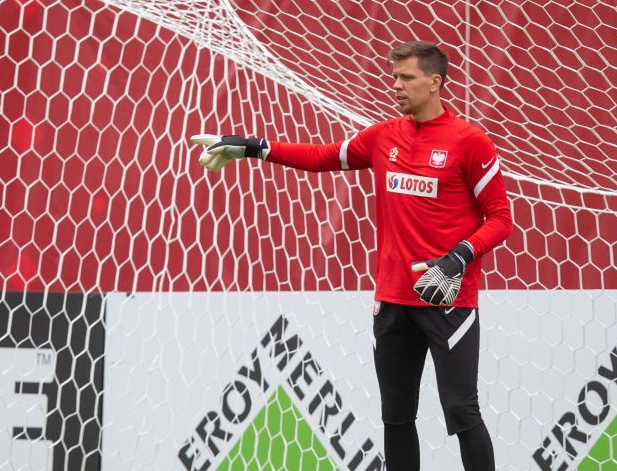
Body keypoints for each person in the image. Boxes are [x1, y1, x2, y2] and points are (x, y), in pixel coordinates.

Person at [191, 40, 513, 471]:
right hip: (394, 300)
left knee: (462, 413)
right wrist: (253, 147)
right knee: (396, 418)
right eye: (394, 76)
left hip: (447, 301)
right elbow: (322, 157)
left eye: (407, 78)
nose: (396, 85)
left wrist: (457, 257)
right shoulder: (385, 136)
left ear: (435, 83)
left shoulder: (469, 142)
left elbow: (501, 218)